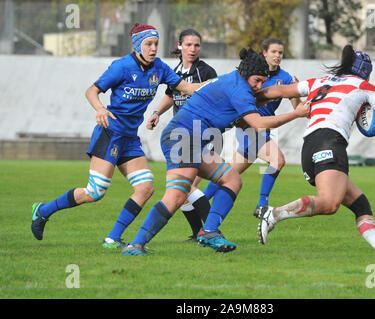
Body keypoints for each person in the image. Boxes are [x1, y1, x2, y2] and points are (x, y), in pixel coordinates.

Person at [121, 48, 311, 256]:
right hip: (183, 138)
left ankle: (209, 231)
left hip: (192, 141)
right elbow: (258, 123)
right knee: (175, 197)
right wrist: (296, 113)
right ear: (247, 74)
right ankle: (136, 244)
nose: (258, 86)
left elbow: (273, 94)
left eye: (261, 82)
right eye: (256, 81)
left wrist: (304, 89)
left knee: (232, 179)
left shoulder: (236, 83)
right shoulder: (239, 90)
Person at [30, 24, 201, 249]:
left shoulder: (159, 67)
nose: (153, 49)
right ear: (138, 44)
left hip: (130, 138)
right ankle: (43, 211)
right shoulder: (121, 67)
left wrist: (220, 85)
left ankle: (112, 238)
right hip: (110, 133)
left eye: (156, 44)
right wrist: (100, 109)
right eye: (148, 44)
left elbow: (187, 88)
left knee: (146, 188)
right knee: (95, 191)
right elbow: (91, 91)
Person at [256, 45, 375, 261]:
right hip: (330, 142)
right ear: (365, 71)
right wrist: (374, 126)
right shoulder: (364, 86)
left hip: (310, 146)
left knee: (360, 203)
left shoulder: (321, 81)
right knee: (329, 204)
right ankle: (274, 214)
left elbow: (278, 91)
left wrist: (254, 97)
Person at [201, 38, 300, 218]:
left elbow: (296, 106)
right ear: (264, 53)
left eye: (280, 53)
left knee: (227, 173)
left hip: (264, 129)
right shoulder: (251, 74)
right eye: (274, 52)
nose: (277, 56)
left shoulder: (285, 78)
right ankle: (262, 205)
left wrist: (296, 95)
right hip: (250, 127)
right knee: (278, 160)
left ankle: (200, 200)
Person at [148, 29, 218, 241]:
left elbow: (213, 99)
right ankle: (200, 232)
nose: (192, 49)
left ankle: (211, 230)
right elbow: (171, 94)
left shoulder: (206, 72)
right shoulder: (175, 70)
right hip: (182, 135)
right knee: (185, 189)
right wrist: (156, 112)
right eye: (188, 45)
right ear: (180, 46)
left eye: (196, 45)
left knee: (186, 187)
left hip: (201, 133)